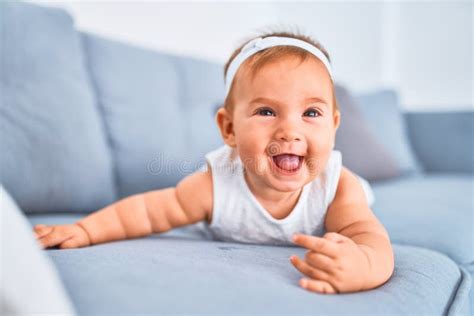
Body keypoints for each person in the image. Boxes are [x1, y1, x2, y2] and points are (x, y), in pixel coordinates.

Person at [33, 31, 394, 294]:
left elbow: (371, 242)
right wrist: (85, 230)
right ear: (230, 129)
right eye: (267, 111)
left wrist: (361, 265)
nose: (290, 131)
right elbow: (146, 212)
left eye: (310, 112)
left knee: (362, 208)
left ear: (333, 127)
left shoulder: (336, 187)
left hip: (348, 198)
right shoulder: (215, 183)